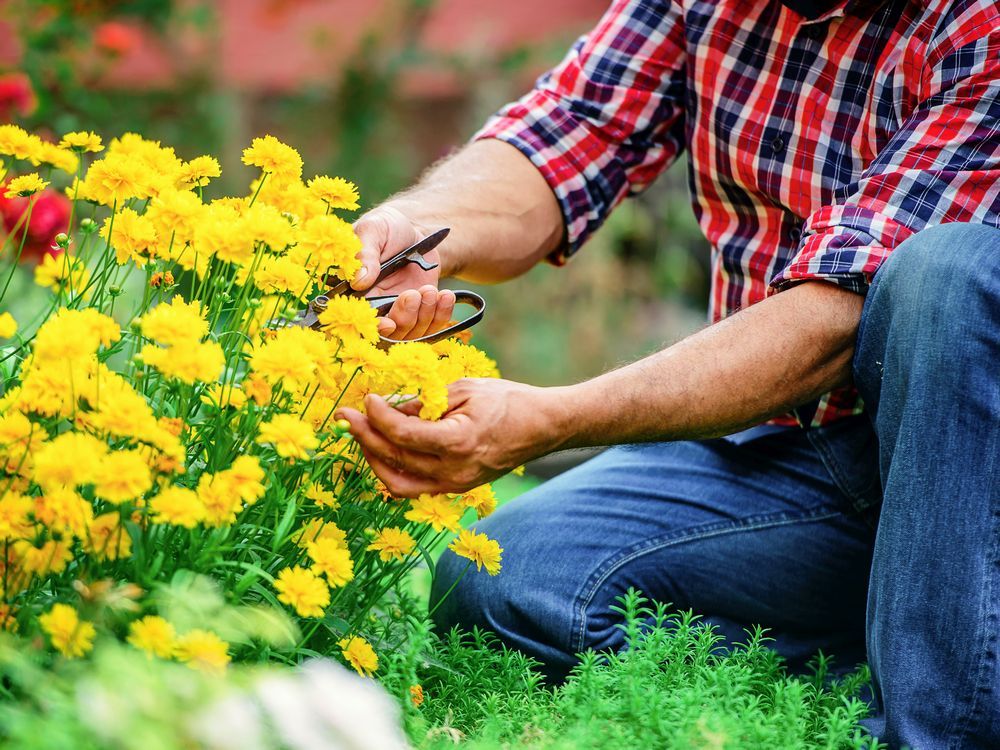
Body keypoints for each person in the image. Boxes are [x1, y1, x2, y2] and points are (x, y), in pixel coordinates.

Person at [333, 0, 1000, 746]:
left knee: (947, 272)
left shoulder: (978, 23)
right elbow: (570, 130)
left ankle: (943, 723)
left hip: (967, 464)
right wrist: (413, 231)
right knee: (505, 580)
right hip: (795, 449)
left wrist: (556, 416)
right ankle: (910, 654)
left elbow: (833, 318)